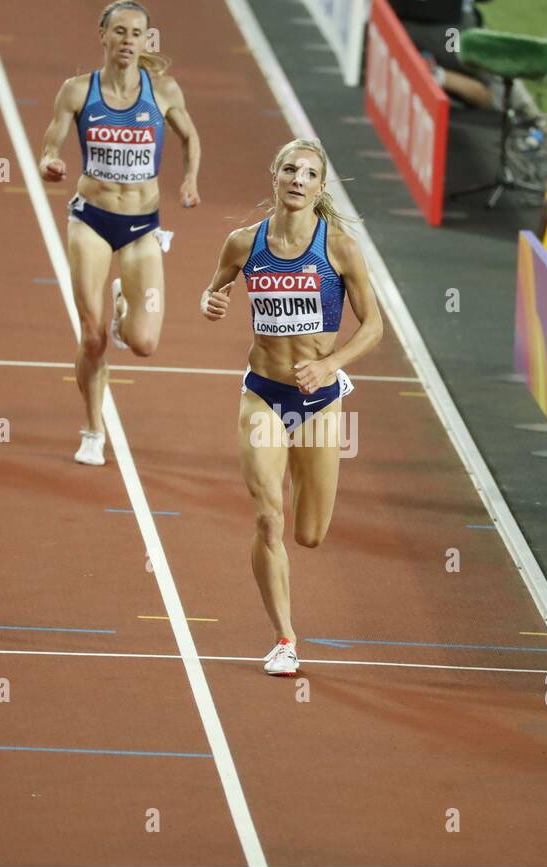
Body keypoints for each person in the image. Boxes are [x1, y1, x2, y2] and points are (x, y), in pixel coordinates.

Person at [201, 140, 384, 677]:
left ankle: (307, 505)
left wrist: (331, 365)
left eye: (309, 173)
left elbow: (373, 326)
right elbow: (214, 294)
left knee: (310, 533)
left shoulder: (340, 248)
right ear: (275, 177)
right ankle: (284, 638)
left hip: (320, 402)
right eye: (289, 169)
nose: (298, 179)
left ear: (320, 187)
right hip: (262, 393)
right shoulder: (242, 243)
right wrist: (210, 302)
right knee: (267, 518)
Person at [38, 0, 201, 466]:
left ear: (147, 41)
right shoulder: (77, 91)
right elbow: (51, 140)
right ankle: (93, 429)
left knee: (145, 343)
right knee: (92, 339)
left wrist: (189, 179)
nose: (129, 41)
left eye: (138, 34)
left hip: (142, 226)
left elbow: (191, 136)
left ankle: (124, 304)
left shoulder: (163, 90)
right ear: (104, 36)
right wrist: (49, 162)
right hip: (91, 220)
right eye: (121, 32)